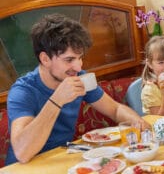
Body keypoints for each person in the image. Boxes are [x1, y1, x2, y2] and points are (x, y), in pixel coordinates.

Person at [6, 13, 150, 165]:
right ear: (45, 59)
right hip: (25, 167)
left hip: (62, 158)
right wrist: (57, 100)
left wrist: (138, 122)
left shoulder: (80, 77)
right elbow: (22, 153)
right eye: (69, 60)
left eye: (80, 57)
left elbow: (115, 109)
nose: (78, 66)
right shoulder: (23, 91)